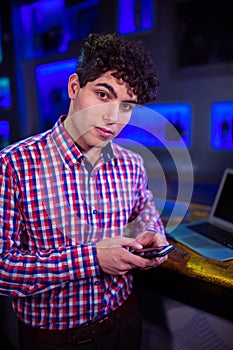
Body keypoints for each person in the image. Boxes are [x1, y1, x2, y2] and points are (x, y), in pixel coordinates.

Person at [0, 33, 169, 350]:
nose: (112, 118)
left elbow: (145, 210)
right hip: (56, 341)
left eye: (127, 106)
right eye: (104, 95)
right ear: (74, 87)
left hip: (127, 319)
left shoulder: (132, 164)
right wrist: (92, 259)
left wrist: (151, 231)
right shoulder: (12, 166)